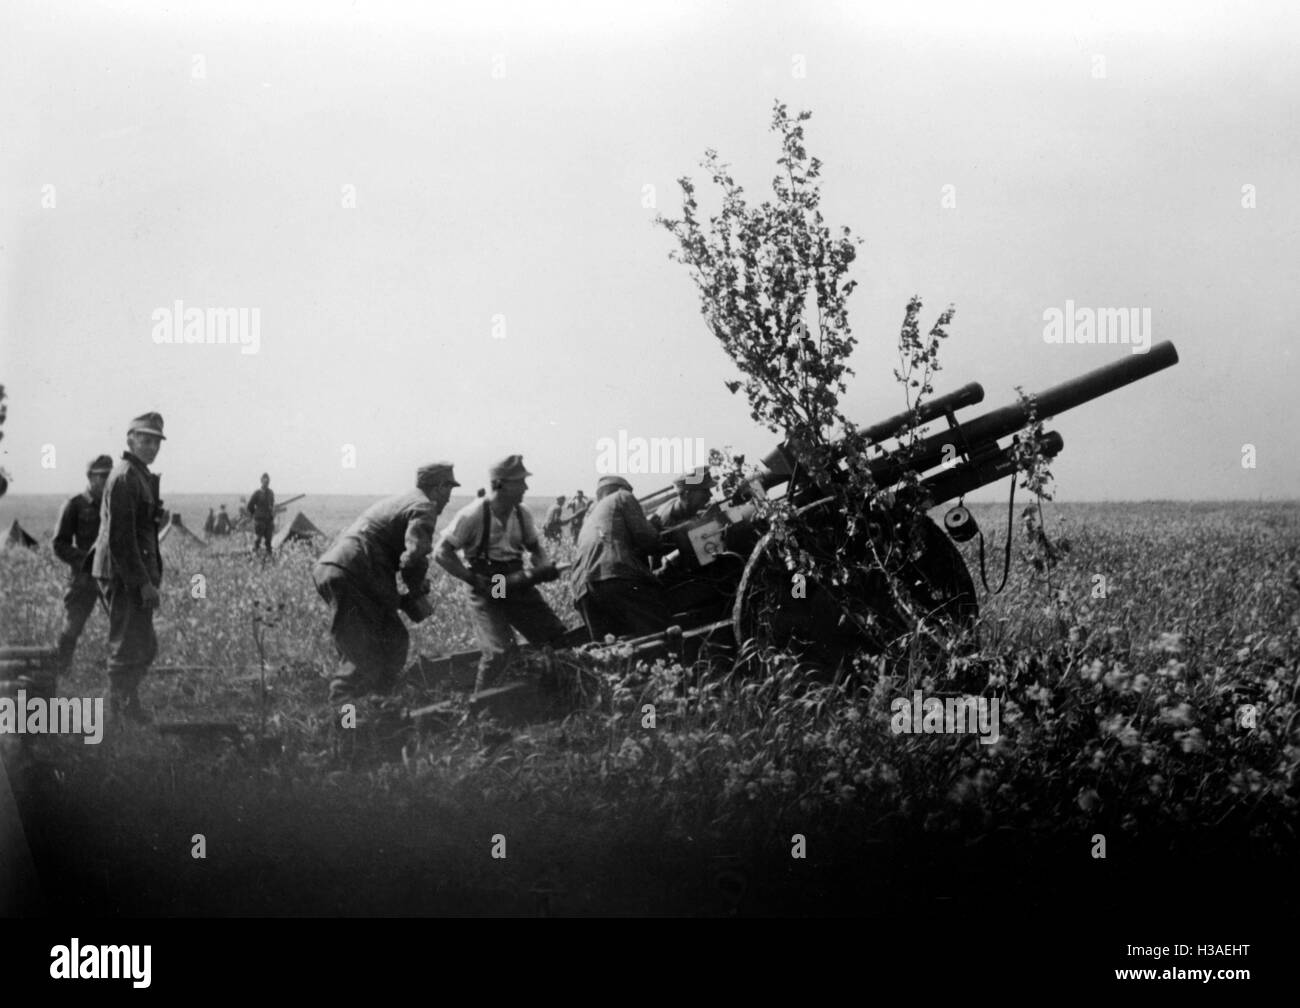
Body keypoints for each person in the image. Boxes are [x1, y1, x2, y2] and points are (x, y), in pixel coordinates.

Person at [313, 463, 459, 704]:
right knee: (359, 657)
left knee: (393, 639)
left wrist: (403, 599)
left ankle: (380, 703)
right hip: (352, 574)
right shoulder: (424, 507)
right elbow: (414, 555)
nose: (448, 499)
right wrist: (416, 588)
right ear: (439, 487)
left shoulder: (401, 501)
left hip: (342, 572)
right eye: (448, 490)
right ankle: (346, 722)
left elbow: (382, 563)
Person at [435, 455, 566, 694]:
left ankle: (554, 696)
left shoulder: (522, 513)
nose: (526, 487)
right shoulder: (473, 514)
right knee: (500, 653)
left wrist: (544, 566)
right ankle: (481, 712)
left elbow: (535, 548)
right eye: (520, 482)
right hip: (486, 582)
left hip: (514, 580)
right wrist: (471, 578)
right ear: (499, 484)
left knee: (555, 638)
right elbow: (442, 553)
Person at [92, 412, 166, 723]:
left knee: (143, 643)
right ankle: (119, 714)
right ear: (130, 439)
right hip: (123, 575)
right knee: (126, 643)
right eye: (144, 439)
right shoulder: (125, 477)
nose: (151, 446)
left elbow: (136, 527)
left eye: (155, 441)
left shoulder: (138, 475)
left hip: (130, 573)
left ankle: (127, 704)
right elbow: (121, 539)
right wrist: (143, 583)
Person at [570, 475, 672, 642]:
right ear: (622, 488)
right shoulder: (622, 496)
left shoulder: (589, 517)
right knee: (660, 634)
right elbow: (647, 539)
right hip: (613, 576)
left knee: (609, 652)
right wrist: (657, 531)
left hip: (582, 590)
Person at [52, 455, 113, 676]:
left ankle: (119, 670)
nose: (107, 480)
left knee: (122, 624)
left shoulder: (115, 504)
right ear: (90, 477)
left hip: (110, 576)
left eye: (109, 475)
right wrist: (87, 560)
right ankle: (61, 668)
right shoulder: (74, 504)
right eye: (102, 476)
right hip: (84, 577)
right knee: (73, 626)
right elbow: (59, 544)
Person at [651, 466, 716, 530]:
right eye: (705, 491)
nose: (710, 494)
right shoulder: (669, 523)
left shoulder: (686, 506)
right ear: (686, 494)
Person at [248, 473, 275, 556]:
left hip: (268, 520)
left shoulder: (271, 493)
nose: (266, 483)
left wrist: (271, 514)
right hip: (259, 520)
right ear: (261, 481)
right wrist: (256, 514)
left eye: (268, 481)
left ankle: (269, 558)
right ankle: (253, 556)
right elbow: (250, 506)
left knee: (269, 541)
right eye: (264, 481)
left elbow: (272, 504)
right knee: (258, 539)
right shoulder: (257, 493)